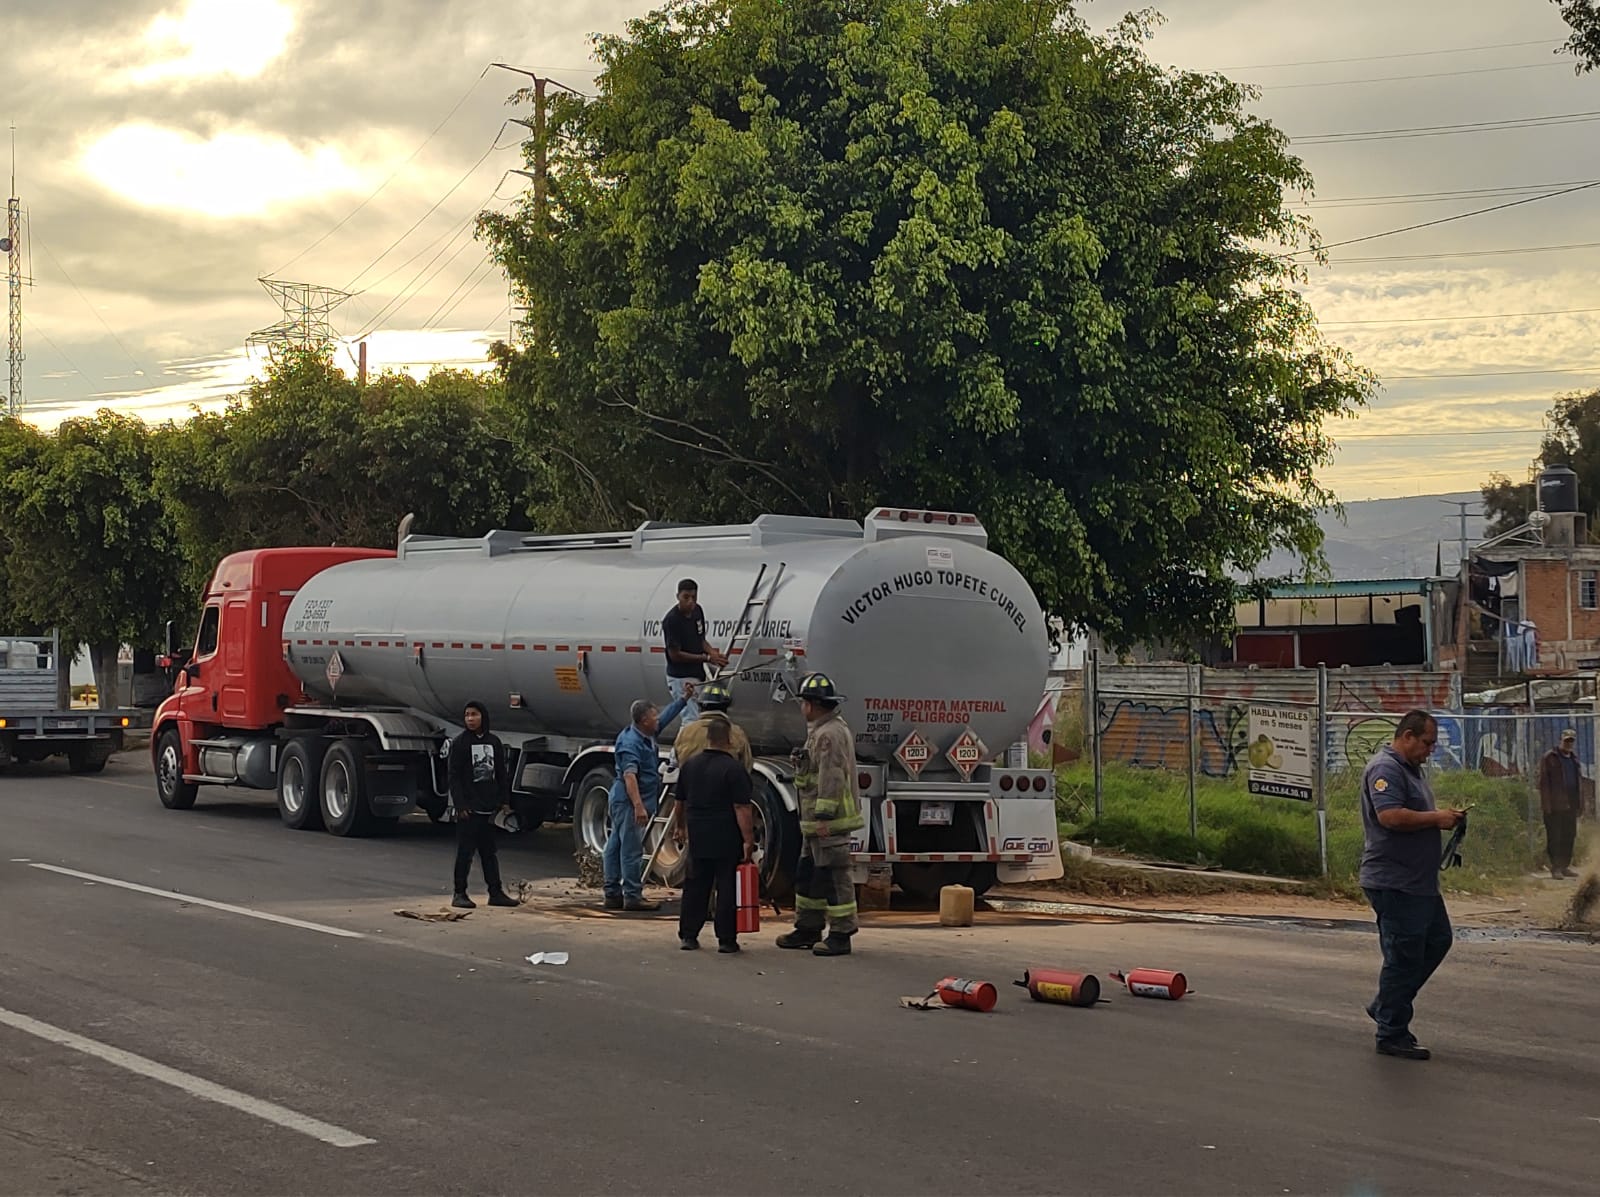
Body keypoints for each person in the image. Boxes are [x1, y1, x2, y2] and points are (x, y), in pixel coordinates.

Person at [1359, 709, 1465, 1061]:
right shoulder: (1385, 768)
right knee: (1403, 958)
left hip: (1419, 883)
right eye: (1427, 742)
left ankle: (1386, 1004)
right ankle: (1391, 1032)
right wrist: (1437, 818)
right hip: (1395, 882)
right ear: (1407, 736)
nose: (1431, 749)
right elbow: (1390, 816)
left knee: (1437, 940)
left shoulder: (1410, 770)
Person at [775, 672, 864, 957]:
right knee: (809, 876)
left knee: (834, 877)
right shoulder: (821, 730)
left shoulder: (829, 735)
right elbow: (813, 775)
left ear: (811, 704)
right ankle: (808, 928)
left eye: (802, 702)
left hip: (828, 823)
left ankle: (841, 933)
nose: (801, 707)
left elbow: (832, 777)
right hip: (813, 822)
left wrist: (824, 818)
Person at [672, 717, 756, 953]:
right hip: (726, 837)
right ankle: (726, 940)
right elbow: (742, 808)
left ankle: (688, 935)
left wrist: (680, 827)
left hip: (698, 835)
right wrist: (748, 839)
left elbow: (680, 802)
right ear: (728, 740)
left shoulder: (691, 765)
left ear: (708, 739)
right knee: (726, 887)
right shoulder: (734, 769)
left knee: (696, 885)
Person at [603, 690, 692, 912]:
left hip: (629, 800)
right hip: (628, 800)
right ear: (644, 721)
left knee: (615, 845)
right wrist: (638, 806)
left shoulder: (646, 733)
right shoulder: (631, 743)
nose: (657, 719)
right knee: (631, 849)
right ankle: (632, 896)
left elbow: (666, 718)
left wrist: (683, 700)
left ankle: (612, 893)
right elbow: (629, 776)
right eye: (654, 716)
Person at [449, 700, 517, 910]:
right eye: (467, 715)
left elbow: (501, 774)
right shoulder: (460, 743)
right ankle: (459, 893)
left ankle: (495, 892)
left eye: (474, 714)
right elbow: (454, 777)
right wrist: (460, 805)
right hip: (469, 809)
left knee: (489, 853)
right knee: (465, 853)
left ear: (483, 717)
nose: (470, 719)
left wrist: (504, 801)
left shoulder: (494, 742)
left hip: (488, 807)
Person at [662, 579, 727, 723]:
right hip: (681, 677)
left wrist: (713, 654)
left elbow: (701, 640)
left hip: (696, 674)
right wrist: (707, 659)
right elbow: (675, 655)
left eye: (694, 597)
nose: (690, 601)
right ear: (678, 596)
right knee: (690, 718)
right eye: (686, 597)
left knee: (698, 717)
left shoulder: (698, 611)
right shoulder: (672, 620)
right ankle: (685, 745)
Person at [670, 680, 753, 772]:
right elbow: (746, 766)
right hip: (724, 785)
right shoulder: (736, 732)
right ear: (726, 707)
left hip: (691, 784)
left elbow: (676, 759)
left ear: (700, 706)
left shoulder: (686, 731)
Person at [1538, 729, 1583, 880]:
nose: (1568, 744)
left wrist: (1580, 804)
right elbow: (1544, 783)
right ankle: (1555, 867)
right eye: (1566, 741)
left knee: (1569, 836)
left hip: (1571, 803)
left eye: (1571, 741)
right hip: (1555, 805)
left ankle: (1564, 866)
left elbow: (1578, 782)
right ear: (1560, 740)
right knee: (1555, 837)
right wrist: (1547, 805)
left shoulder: (1574, 759)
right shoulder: (1550, 757)